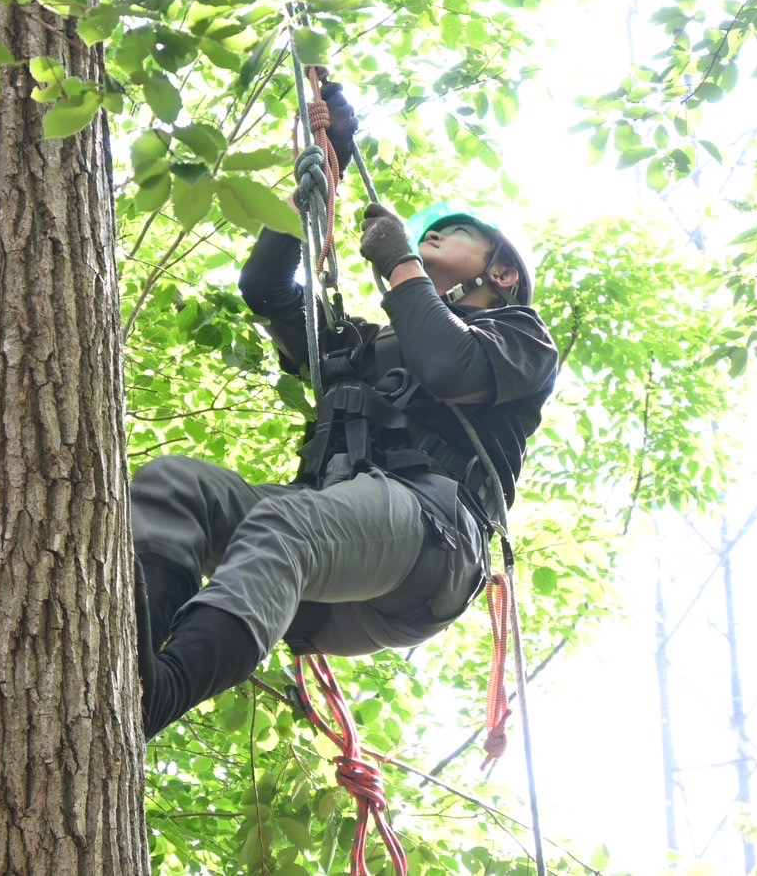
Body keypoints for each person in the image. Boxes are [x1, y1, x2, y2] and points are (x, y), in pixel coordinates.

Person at [132, 83, 559, 737]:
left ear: (499, 272)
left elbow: (448, 363)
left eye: (458, 232)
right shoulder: (370, 347)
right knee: (174, 485)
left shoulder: (521, 337)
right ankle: (129, 657)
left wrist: (400, 263)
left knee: (284, 522)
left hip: (432, 541)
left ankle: (159, 694)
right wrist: (327, 168)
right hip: (329, 559)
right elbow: (267, 290)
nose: (434, 232)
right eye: (425, 234)